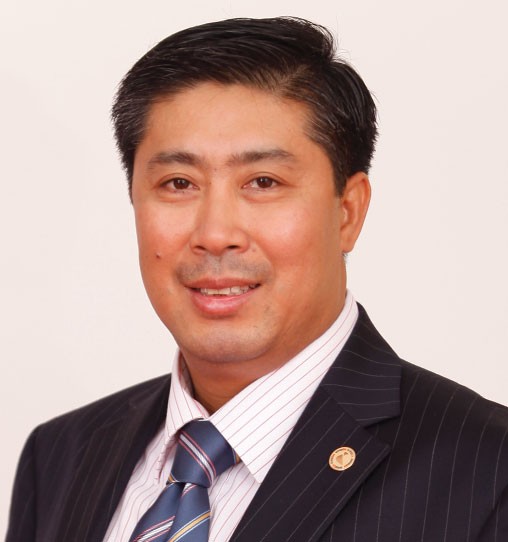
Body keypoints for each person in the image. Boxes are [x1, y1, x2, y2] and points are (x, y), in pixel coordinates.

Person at [6, 16, 508, 542]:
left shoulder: (487, 471)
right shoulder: (61, 455)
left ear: (348, 211)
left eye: (263, 182)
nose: (215, 234)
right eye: (178, 183)